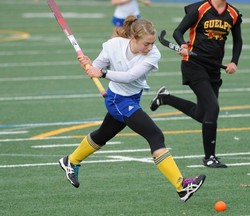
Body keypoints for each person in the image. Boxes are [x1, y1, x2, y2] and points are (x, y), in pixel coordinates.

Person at [59, 15, 206, 202]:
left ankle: (71, 160)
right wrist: (88, 64)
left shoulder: (153, 55)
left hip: (132, 98)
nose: (150, 47)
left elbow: (129, 76)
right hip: (117, 100)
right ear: (133, 38)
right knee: (155, 136)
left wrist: (101, 72)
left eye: (152, 43)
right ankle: (182, 186)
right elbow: (96, 67)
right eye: (146, 43)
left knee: (103, 134)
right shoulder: (113, 46)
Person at [150, 0, 243, 168]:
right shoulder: (200, 9)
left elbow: (238, 41)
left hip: (213, 68)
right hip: (193, 65)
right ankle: (209, 157)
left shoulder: (234, 14)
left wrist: (234, 62)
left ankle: (165, 98)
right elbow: (178, 31)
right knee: (213, 108)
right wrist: (183, 45)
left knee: (203, 115)